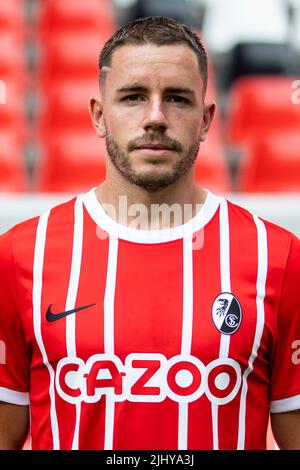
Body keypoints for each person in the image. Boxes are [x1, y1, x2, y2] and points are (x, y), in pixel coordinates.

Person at [0, 16, 299, 451]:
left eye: (177, 99)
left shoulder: (280, 258)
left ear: (207, 118)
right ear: (99, 115)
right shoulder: (20, 256)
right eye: (133, 97)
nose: (155, 117)